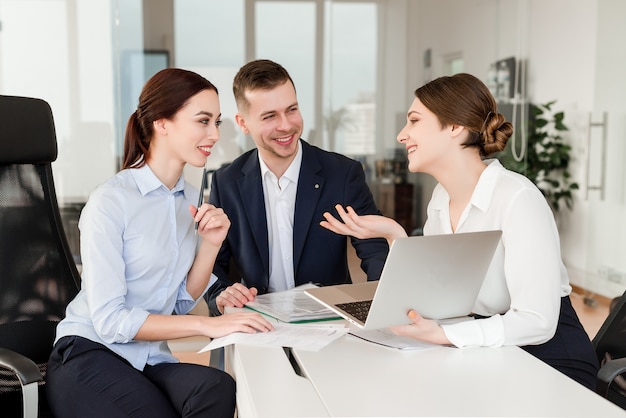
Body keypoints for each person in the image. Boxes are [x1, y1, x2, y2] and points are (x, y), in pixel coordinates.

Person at [320, 73, 599, 390]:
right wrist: (394, 233)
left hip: (551, 361)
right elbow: (439, 295)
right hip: (492, 348)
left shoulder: (518, 197)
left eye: (414, 121)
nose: (402, 135)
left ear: (455, 126)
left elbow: (538, 322)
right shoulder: (440, 199)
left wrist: (444, 335)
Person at [46, 68, 274, 418]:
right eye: (203, 121)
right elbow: (109, 321)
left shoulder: (187, 201)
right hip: (90, 352)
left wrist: (211, 246)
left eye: (217, 122)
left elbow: (178, 305)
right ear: (162, 123)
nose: (214, 134)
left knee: (216, 387)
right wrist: (207, 325)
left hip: (147, 356)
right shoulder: (112, 201)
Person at [204, 59, 389, 316]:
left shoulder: (342, 174)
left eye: (291, 109)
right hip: (258, 319)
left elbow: (375, 248)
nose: (286, 125)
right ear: (243, 123)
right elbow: (213, 265)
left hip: (329, 319)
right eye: (269, 116)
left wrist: (382, 306)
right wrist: (222, 294)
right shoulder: (227, 182)